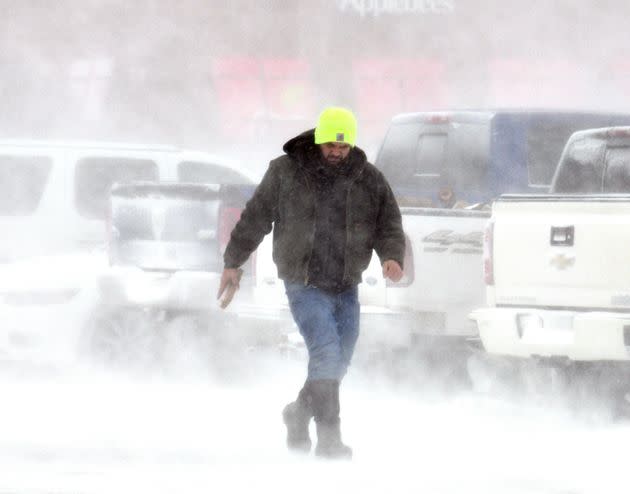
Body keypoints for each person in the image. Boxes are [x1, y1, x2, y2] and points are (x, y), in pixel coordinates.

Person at [217, 107, 405, 459]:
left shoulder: (368, 178)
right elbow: (255, 217)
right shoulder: (286, 172)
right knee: (327, 352)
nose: (336, 152)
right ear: (318, 140)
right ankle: (330, 438)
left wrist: (392, 256)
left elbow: (388, 222)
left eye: (343, 146)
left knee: (340, 359)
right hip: (303, 281)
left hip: (346, 284)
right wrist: (233, 262)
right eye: (330, 145)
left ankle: (299, 412)